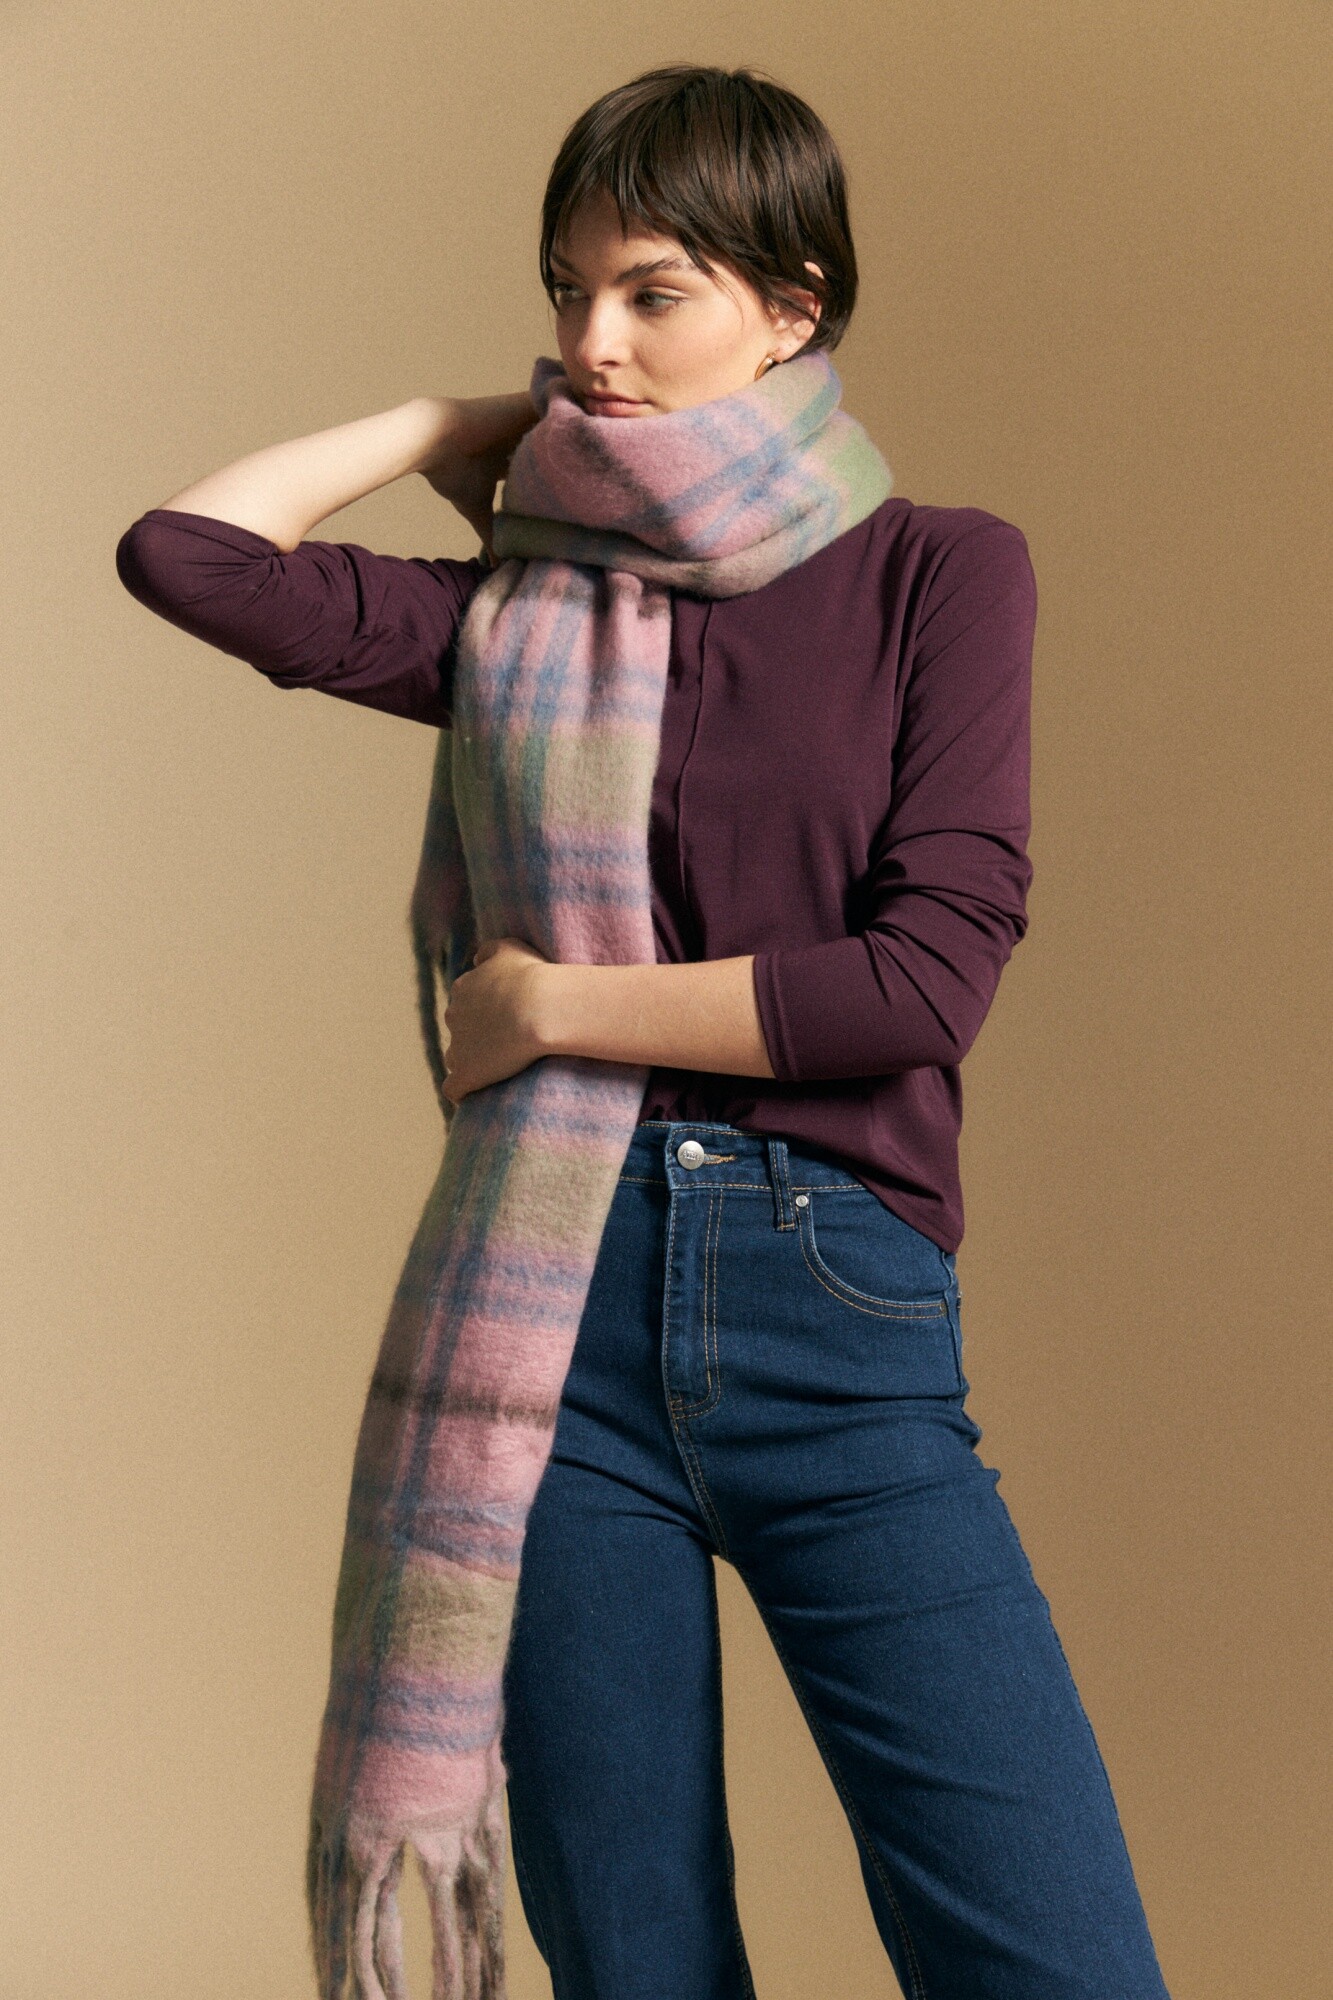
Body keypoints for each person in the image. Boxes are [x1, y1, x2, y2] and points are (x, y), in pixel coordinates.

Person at [116, 61, 1171, 2000]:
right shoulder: (514, 620)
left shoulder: (937, 571)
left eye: (652, 291)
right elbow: (189, 555)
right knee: (636, 1960)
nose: (593, 342)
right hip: (555, 1320)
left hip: (826, 1299)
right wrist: (457, 422)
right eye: (566, 290)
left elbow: (919, 982)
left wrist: (553, 1004)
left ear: (792, 306)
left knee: (1050, 1956)